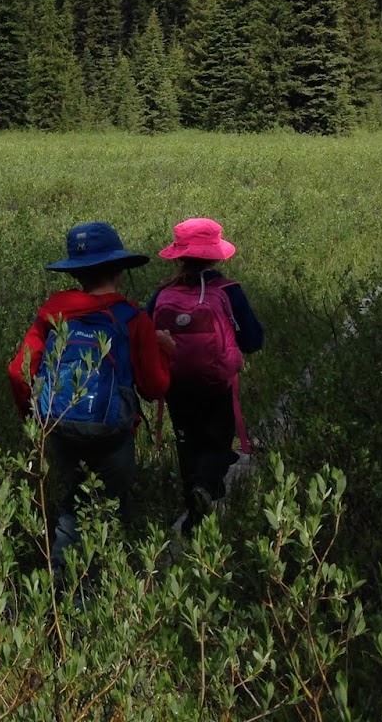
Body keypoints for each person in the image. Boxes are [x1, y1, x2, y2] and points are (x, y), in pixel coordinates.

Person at [8, 222, 174, 575]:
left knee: (77, 501)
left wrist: (34, 415)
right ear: (119, 269)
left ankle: (94, 578)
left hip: (60, 425)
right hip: (113, 434)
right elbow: (154, 388)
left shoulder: (53, 311)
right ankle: (75, 599)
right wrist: (165, 352)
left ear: (77, 272)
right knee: (93, 510)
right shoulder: (133, 317)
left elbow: (17, 371)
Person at [147, 217, 264, 535]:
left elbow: (144, 333)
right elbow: (253, 340)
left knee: (188, 445)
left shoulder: (162, 294)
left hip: (175, 385)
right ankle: (205, 489)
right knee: (217, 444)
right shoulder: (229, 291)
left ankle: (194, 511)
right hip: (216, 385)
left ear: (179, 254)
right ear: (216, 254)